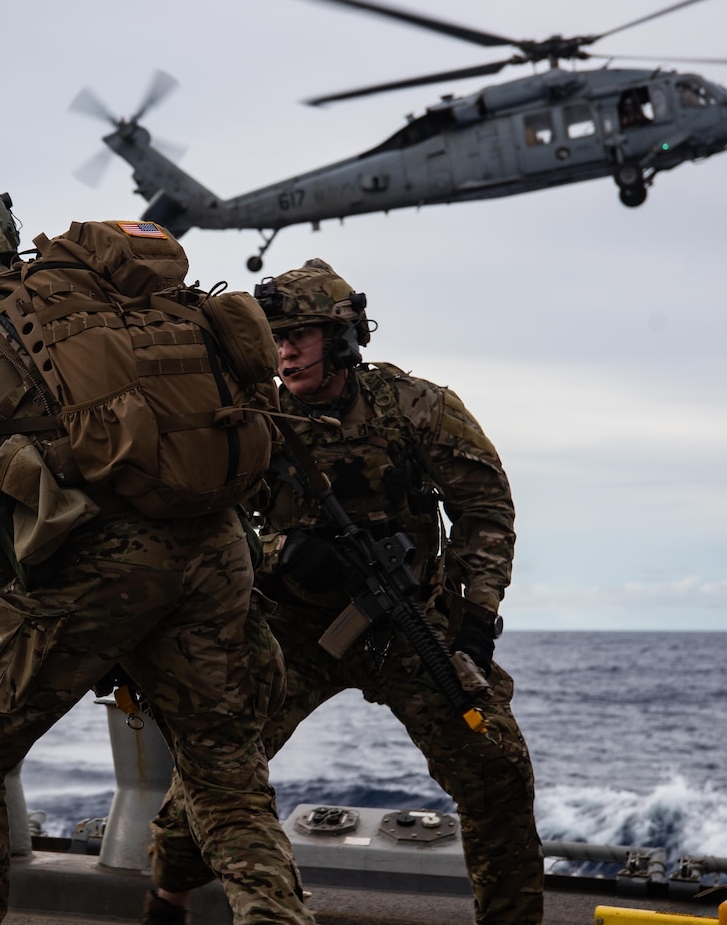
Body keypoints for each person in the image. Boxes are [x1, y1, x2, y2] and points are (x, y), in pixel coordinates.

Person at [0, 174, 313, 925]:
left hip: (88, 566)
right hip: (212, 550)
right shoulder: (91, 301)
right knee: (225, 772)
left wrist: (23, 570)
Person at [146, 259, 542, 925]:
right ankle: (167, 900)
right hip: (293, 628)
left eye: (302, 333)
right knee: (218, 770)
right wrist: (280, 552)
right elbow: (200, 516)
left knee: (497, 768)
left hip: (407, 620)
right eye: (274, 335)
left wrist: (477, 622)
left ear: (345, 339)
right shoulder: (250, 416)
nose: (286, 350)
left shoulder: (416, 408)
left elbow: (486, 508)